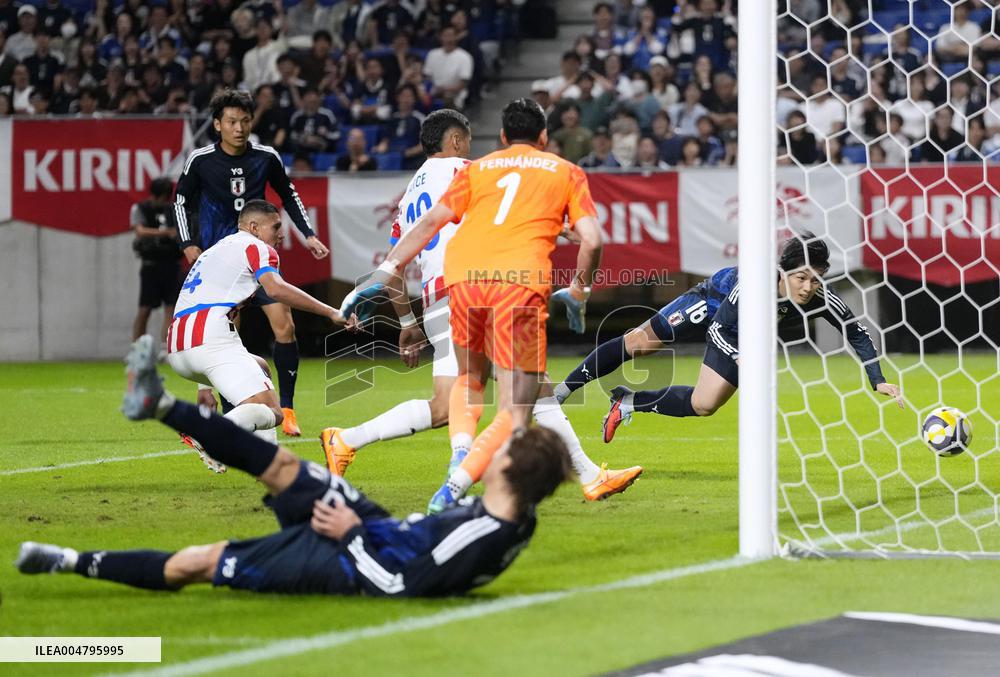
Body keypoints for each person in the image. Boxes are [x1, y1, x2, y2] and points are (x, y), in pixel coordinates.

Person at [16, 335, 572, 598]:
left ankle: (65, 560)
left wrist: (353, 537)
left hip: (348, 562)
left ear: (509, 472)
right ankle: (159, 405)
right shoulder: (516, 515)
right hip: (372, 528)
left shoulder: (486, 532)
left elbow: (404, 584)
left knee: (200, 563)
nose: (491, 453)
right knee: (281, 464)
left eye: (500, 452)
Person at [322, 110, 639, 504]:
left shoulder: (408, 195)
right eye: (467, 140)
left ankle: (345, 439)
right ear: (455, 141)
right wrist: (563, 229)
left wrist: (407, 320)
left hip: (440, 295)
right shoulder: (466, 169)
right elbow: (506, 208)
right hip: (480, 285)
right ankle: (490, 476)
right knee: (525, 389)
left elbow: (397, 258)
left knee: (452, 403)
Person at [554, 234, 904, 443]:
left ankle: (627, 403)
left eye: (816, 279)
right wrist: (739, 357)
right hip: (711, 303)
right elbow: (718, 327)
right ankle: (562, 392)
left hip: (739, 333)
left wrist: (878, 380)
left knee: (704, 405)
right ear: (783, 271)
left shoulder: (819, 295)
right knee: (639, 344)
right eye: (801, 278)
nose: (808, 287)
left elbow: (855, 331)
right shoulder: (754, 285)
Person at [174, 90, 331, 437]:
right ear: (217, 125)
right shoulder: (200, 160)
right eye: (232, 121)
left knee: (285, 325)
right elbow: (181, 201)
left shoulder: (266, 156)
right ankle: (233, 410)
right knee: (229, 337)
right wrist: (188, 244)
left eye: (245, 120)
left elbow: (288, 193)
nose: (239, 128)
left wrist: (307, 233)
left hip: (258, 260)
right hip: (221, 266)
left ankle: (287, 410)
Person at [167, 200, 347, 470]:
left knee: (260, 367)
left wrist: (204, 385)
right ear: (254, 227)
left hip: (177, 345)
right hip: (209, 337)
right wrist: (332, 312)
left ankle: (269, 460)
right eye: (276, 226)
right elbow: (276, 289)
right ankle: (206, 432)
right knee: (274, 413)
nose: (281, 233)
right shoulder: (257, 247)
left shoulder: (215, 250)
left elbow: (207, 299)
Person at [131, 177, 182, 348]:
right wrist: (165, 233)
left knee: (170, 307)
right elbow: (139, 231)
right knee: (145, 308)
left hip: (171, 263)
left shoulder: (172, 210)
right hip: (151, 264)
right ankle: (137, 348)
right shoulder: (140, 208)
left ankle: (165, 347)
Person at [423, 25, 473, 109]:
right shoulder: (432, 54)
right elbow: (427, 77)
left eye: (451, 36)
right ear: (440, 37)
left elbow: (463, 84)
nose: (449, 39)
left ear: (457, 37)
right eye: (445, 36)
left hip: (453, 97)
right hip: (433, 94)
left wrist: (443, 90)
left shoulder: (465, 57)